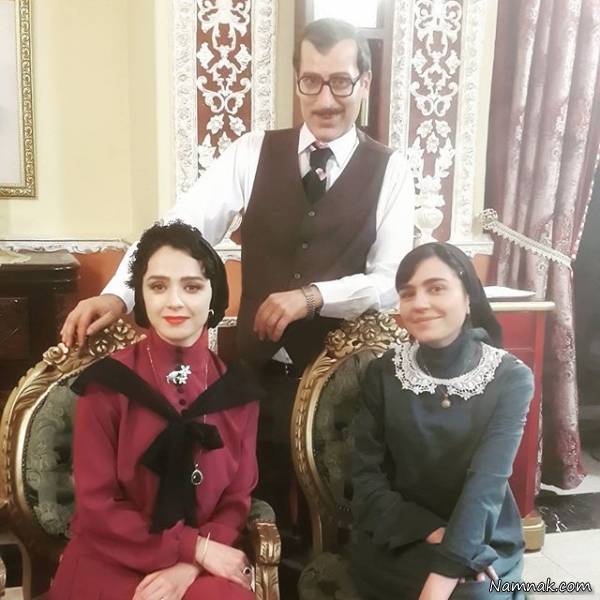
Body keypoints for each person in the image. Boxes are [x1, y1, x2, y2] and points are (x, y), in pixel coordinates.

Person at [60, 17, 415, 535]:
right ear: (297, 82)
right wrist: (118, 295)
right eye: (311, 81)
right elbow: (177, 230)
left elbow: (390, 281)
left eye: (341, 82)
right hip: (252, 377)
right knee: (248, 512)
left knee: (337, 527)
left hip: (341, 389)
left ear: (364, 82)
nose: (325, 99)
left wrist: (313, 296)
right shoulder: (252, 153)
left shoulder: (391, 170)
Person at [49, 222, 259, 600]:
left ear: (214, 295)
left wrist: (190, 564)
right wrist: (194, 549)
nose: (174, 302)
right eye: (158, 286)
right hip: (112, 558)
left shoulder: (239, 393)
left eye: (191, 287)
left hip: (200, 568)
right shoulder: (106, 386)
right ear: (141, 296)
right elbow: (96, 506)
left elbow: (236, 499)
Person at [350, 242, 534, 600]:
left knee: (475, 594)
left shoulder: (511, 378)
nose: (419, 303)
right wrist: (432, 530)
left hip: (483, 535)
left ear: (468, 298)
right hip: (401, 535)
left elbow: (486, 485)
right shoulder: (382, 373)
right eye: (408, 293)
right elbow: (364, 477)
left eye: (436, 288)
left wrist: (448, 568)